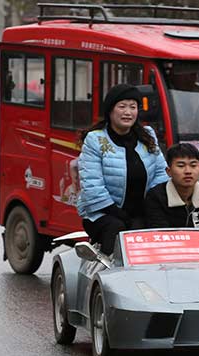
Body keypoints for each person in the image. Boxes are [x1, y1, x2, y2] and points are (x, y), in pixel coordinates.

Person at [77, 84, 168, 254]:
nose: (128, 112)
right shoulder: (95, 139)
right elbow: (91, 185)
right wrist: (118, 214)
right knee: (117, 229)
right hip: (104, 213)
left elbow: (161, 173)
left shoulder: (148, 135)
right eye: (122, 106)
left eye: (133, 107)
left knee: (156, 231)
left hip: (141, 211)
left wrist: (151, 206)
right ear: (110, 110)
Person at [144, 143, 199, 229]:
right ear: (168, 171)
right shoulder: (155, 196)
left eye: (193, 165)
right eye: (181, 166)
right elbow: (158, 231)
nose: (188, 171)